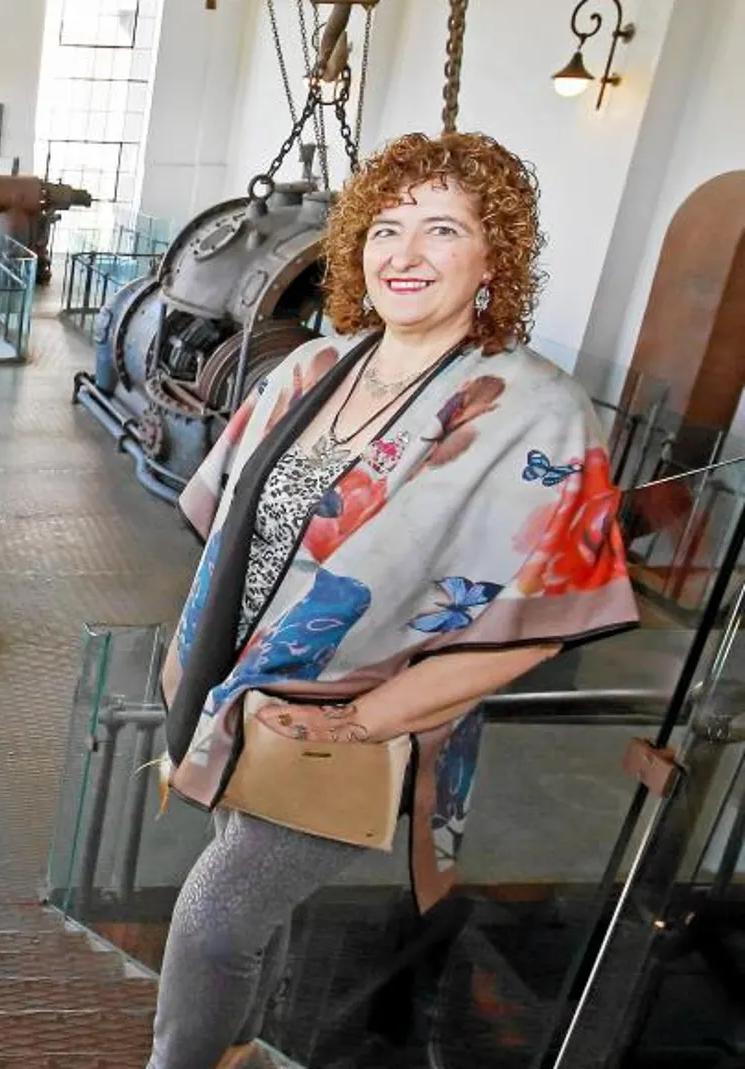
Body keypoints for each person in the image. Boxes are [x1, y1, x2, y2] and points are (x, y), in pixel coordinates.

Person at [147, 132, 640, 1069]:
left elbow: (540, 620)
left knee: (213, 923)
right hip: (229, 693)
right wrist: (186, 668)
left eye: (442, 230)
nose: (403, 255)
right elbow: (228, 535)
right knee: (252, 912)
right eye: (385, 228)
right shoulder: (308, 368)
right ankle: (242, 1048)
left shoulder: (536, 410)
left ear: (496, 256)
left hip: (349, 726)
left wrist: (366, 719)